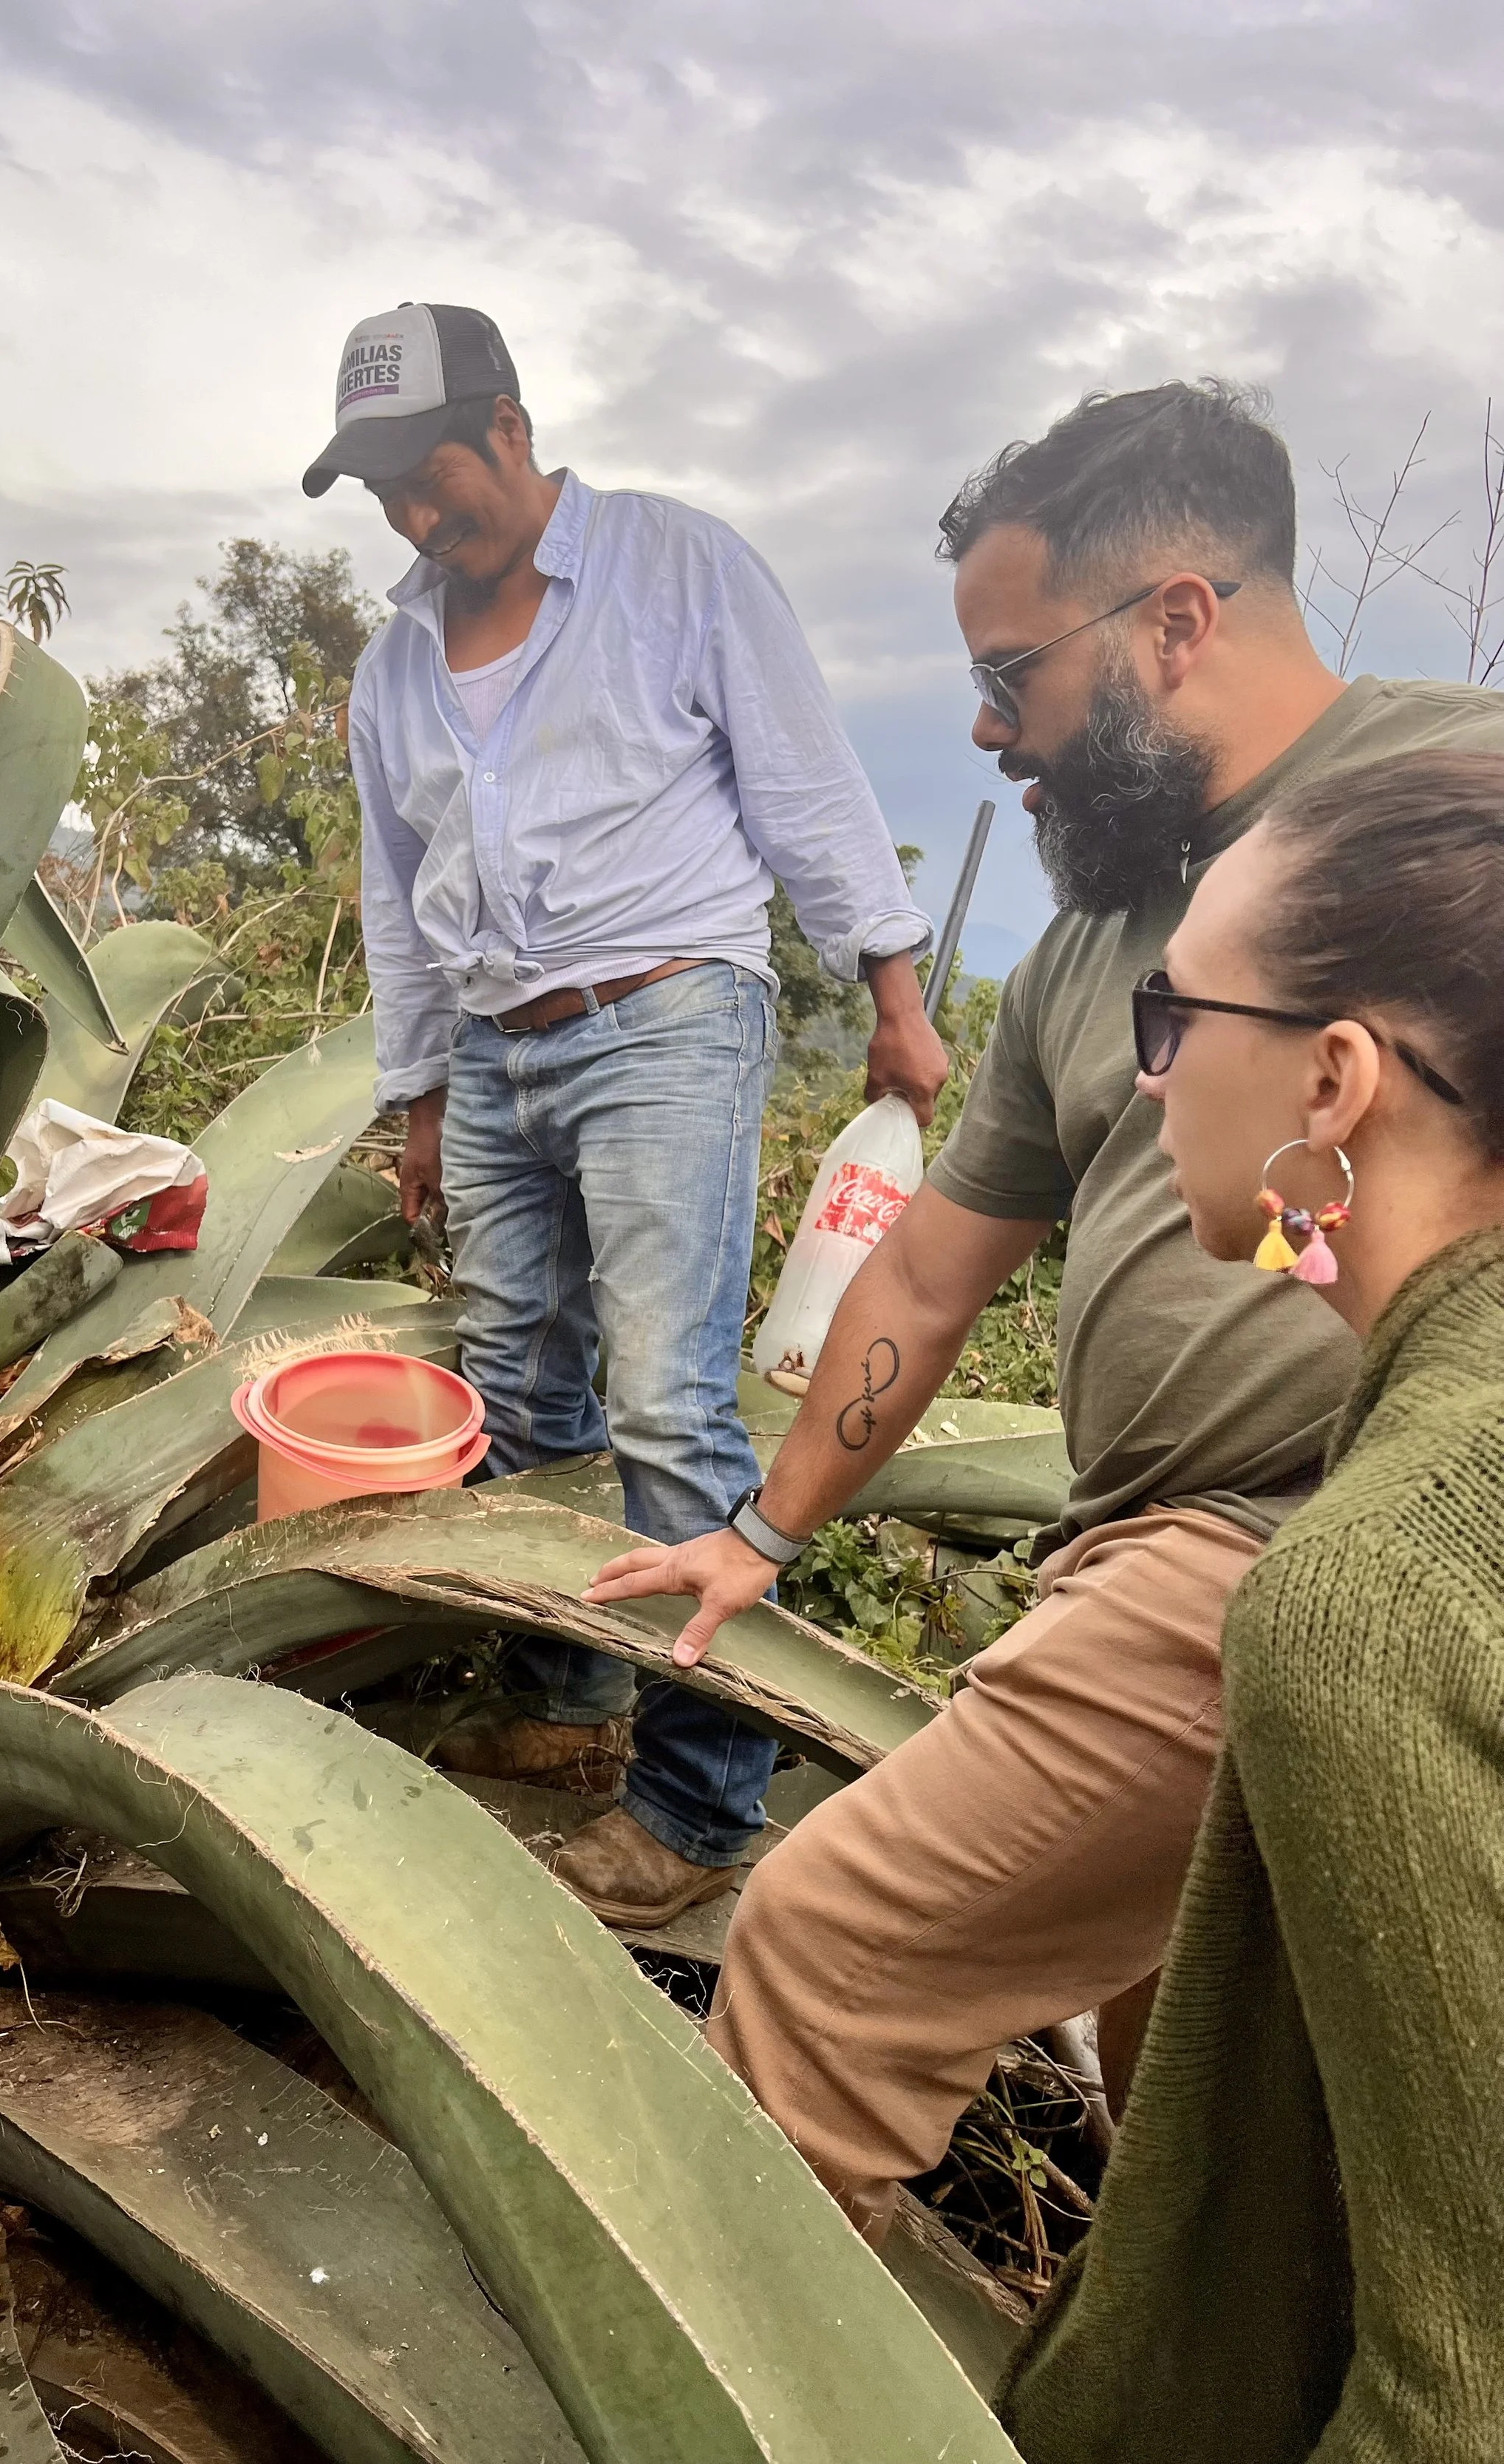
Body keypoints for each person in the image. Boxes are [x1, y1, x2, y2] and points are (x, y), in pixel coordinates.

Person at [585, 379, 1504, 2238]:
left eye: (1015, 672)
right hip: (1135, 1559)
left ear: (1173, 618)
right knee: (1204, 2135)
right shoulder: (1097, 936)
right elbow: (930, 1265)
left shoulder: (1451, 798)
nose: (990, 729)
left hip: (1301, 1552)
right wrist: (764, 1529)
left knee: (828, 1952)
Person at [304, 301, 948, 1928]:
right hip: (494, 1043)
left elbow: (803, 781)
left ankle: (693, 1803)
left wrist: (893, 996)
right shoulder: (393, 665)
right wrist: (419, 1097)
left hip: (663, 1017)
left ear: (511, 427)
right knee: (522, 1388)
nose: (410, 513)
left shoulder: (674, 568)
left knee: (664, 1404)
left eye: (426, 468)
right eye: (378, 487)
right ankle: (568, 1702)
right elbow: (398, 893)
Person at [1001, 747, 1504, 2463]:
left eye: (1174, 1022)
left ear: (1332, 1077)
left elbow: (1461, 2400)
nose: (1148, 1087)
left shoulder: (1365, 1606)